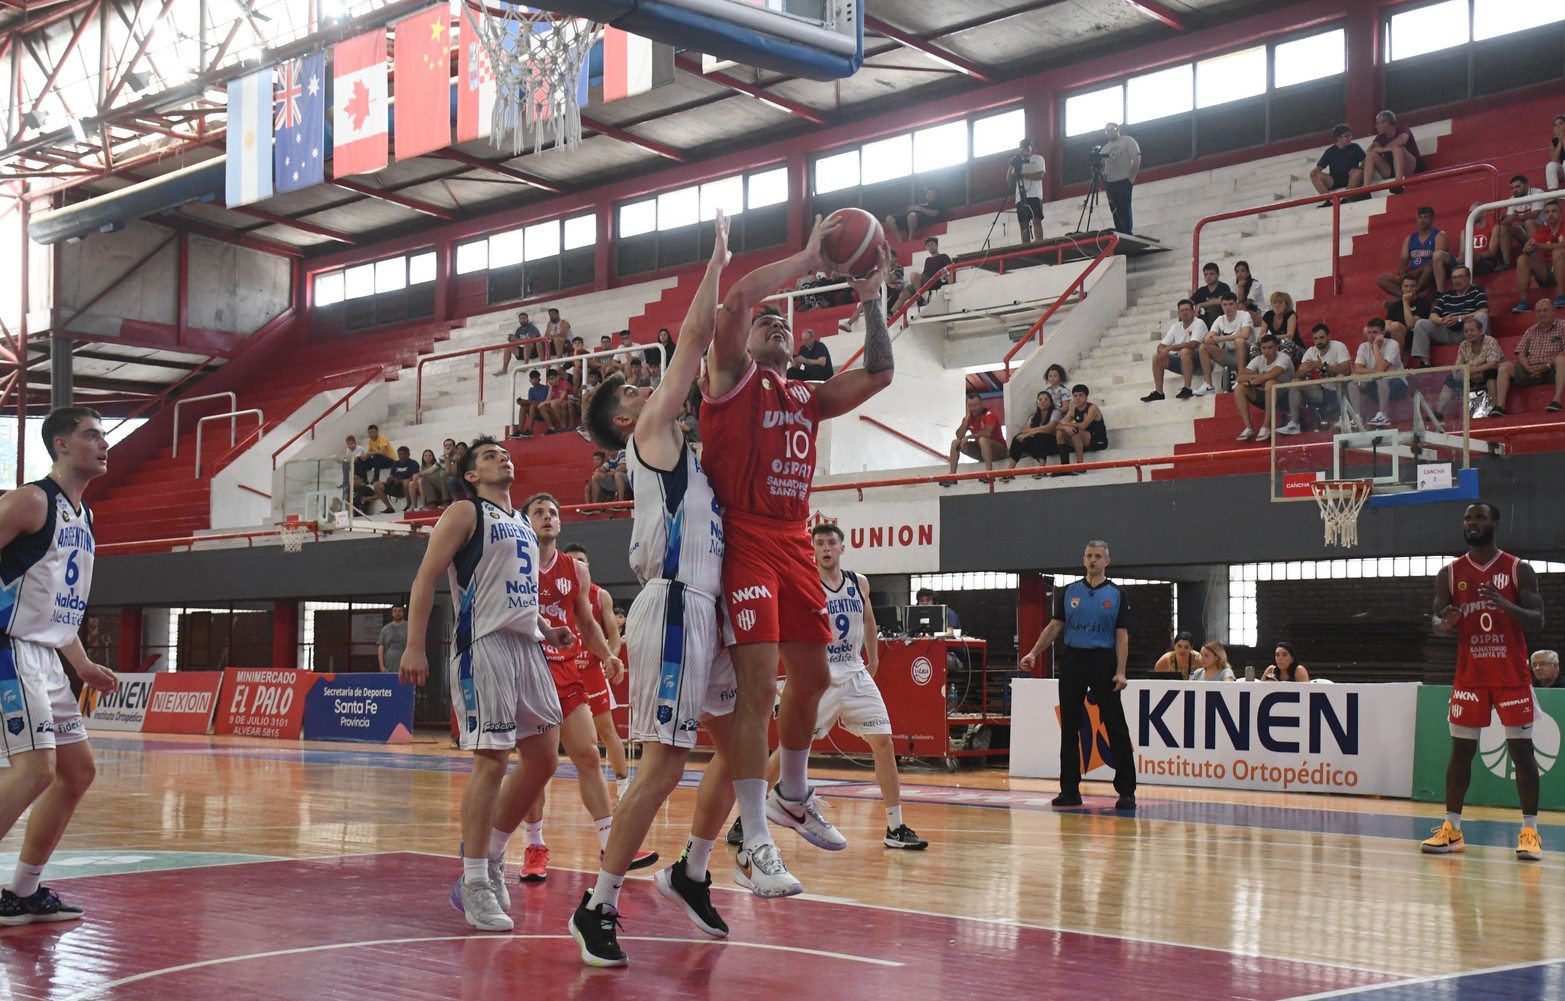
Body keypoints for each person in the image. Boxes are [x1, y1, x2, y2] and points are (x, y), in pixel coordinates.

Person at [700, 213, 895, 897]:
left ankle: (791, 792)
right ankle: (754, 839)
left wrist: (872, 297)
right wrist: (810, 259)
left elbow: (879, 372)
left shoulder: (807, 396)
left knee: (812, 679)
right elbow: (735, 299)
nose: (775, 325)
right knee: (759, 690)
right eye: (766, 323)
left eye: (784, 323)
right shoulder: (728, 377)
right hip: (745, 538)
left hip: (792, 539)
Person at [575, 213, 742, 964]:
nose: (653, 386)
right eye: (638, 387)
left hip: (707, 608)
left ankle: (692, 870)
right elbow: (694, 340)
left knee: (745, 748)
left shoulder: (687, 456)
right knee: (665, 764)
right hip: (673, 607)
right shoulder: (650, 437)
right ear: (624, 417)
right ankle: (598, 903)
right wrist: (716, 261)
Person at [399, 436, 575, 932]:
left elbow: (517, 591)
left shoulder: (521, 522)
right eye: (490, 455)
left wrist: (546, 628)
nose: (503, 457)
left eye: (505, 452)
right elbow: (425, 577)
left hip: (527, 644)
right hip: (484, 644)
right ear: (472, 475)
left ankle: (492, 854)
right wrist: (414, 645)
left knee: (543, 759)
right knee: (492, 760)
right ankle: (474, 880)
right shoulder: (464, 511)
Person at [0, 407, 118, 927]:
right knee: (35, 770)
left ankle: (22, 892)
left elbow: (53, 605)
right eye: (92, 435)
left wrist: (83, 664)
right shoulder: (32, 500)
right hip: (10, 647)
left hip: (46, 655)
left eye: (105, 436)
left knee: (77, 772)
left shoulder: (83, 515)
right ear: (61, 445)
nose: (104, 444)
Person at [759, 525, 929, 850]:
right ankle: (746, 820)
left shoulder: (858, 582)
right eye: (820, 543)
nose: (826, 548)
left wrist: (873, 658)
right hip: (821, 676)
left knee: (884, 742)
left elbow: (869, 620)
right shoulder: (806, 584)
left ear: (841, 548)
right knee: (789, 750)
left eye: (831, 542)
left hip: (855, 672)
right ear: (812, 549)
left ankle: (895, 828)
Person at [515, 493, 648, 889]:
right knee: (536, 766)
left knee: (589, 754)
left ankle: (610, 845)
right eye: (539, 512)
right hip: (528, 670)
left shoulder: (575, 570)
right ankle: (534, 845)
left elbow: (587, 624)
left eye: (553, 512)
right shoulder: (514, 562)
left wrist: (608, 655)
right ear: (525, 521)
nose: (548, 517)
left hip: (566, 669)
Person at [1422, 503, 1545, 862]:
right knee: (1460, 754)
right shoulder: (1449, 573)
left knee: (1522, 753)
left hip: (1511, 677)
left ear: (1495, 524)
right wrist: (1444, 624)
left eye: (1479, 518)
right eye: (1467, 519)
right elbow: (1436, 622)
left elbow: (1538, 619)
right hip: (1470, 677)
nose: (1471, 523)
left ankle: (1530, 831)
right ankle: (1452, 829)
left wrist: (1506, 606)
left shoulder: (1518, 568)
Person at [1019, 540, 1136, 811]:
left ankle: (1127, 791)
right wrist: (1033, 652)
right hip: (1073, 660)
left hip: (1103, 661)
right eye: (1089, 556)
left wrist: (1120, 671)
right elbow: (1054, 626)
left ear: (1107, 561)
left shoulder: (1117, 594)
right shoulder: (1070, 591)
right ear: (1084, 560)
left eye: (1098, 556)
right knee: (1070, 726)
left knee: (1115, 725)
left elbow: (1122, 636)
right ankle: (1069, 790)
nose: (1093, 560)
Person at [560, 542, 631, 798]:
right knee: (549, 734)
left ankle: (623, 787)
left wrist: (608, 657)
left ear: (587, 565)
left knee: (606, 730)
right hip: (562, 670)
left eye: (580, 560)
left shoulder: (600, 596)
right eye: (571, 561)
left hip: (590, 670)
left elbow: (613, 635)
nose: (576, 565)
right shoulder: (554, 592)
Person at [1495, 298, 1565, 416]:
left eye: (1545, 310)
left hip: (1552, 369)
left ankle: (1557, 401)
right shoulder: (1531, 330)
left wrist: (1547, 366)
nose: (1542, 314)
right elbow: (1521, 353)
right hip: (1531, 370)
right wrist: (1528, 368)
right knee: (1505, 367)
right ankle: (1500, 406)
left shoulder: (1563, 326)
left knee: (1561, 360)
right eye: (1539, 311)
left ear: (1554, 311)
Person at [1411, 264, 1489, 367]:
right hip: (1447, 331)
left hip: (1467, 330)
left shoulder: (1477, 290)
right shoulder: (1447, 294)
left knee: (1481, 316)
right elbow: (1432, 315)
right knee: (1421, 323)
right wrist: (1441, 320)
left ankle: (1479, 354)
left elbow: (1484, 311)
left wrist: (1459, 318)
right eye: (1454, 278)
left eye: (1460, 277)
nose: (1457, 280)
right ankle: (1424, 362)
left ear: (1468, 278)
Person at [1280, 323, 1351, 435]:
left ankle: (1343, 418)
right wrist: (1305, 370)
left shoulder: (1338, 347)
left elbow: (1346, 370)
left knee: (1340, 377)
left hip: (1343, 391)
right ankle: (1294, 424)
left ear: (1329, 337)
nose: (1319, 341)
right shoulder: (1311, 351)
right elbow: (1297, 375)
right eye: (1315, 338)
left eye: (1321, 337)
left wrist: (1323, 366)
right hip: (1323, 392)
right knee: (1295, 382)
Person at [1434, 318, 1501, 423]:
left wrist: (1471, 370)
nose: (1469, 333)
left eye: (1472, 330)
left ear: (1480, 331)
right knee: (1451, 379)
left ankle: (1496, 406)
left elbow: (1492, 363)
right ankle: (1439, 412)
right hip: (1471, 375)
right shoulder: (1463, 345)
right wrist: (1456, 372)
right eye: (1466, 331)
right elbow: (1458, 364)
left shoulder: (1490, 341)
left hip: (1489, 372)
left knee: (1490, 372)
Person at [1347, 318, 1408, 430]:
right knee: (1352, 382)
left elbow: (1382, 367)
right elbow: (1358, 369)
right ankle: (1357, 416)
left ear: (1382, 333)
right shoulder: (1363, 347)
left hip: (1397, 384)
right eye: (1369, 332)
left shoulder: (1393, 344)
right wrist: (1377, 372)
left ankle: (1383, 415)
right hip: (1374, 382)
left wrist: (1375, 347)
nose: (1371, 336)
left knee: (1381, 378)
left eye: (1374, 332)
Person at [1143, 299, 1209, 401]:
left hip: (1200, 362)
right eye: (1182, 310)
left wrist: (1170, 348)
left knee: (1185, 351)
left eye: (1187, 310)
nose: (1184, 312)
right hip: (1183, 362)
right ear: (1178, 313)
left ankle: (1187, 388)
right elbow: (1161, 346)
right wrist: (1162, 352)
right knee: (1157, 357)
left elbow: (1192, 345)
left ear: (1193, 311)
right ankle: (1159, 392)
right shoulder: (1175, 327)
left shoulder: (1199, 323)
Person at [1378, 207, 1450, 298]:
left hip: (1428, 274)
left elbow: (1437, 260)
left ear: (1432, 219)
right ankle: (1407, 298)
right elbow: (1403, 262)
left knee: (1429, 270)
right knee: (1383, 279)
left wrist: (1416, 272)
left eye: (1426, 217)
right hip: (1412, 274)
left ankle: (1414, 295)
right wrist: (1403, 275)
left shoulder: (1439, 235)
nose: (1422, 220)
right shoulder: (1409, 238)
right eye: (1420, 217)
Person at [1235, 333, 1295, 441]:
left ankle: (1266, 426)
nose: (1267, 351)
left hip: (1287, 396)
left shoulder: (1283, 358)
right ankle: (1249, 427)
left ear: (1277, 347)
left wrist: (1251, 382)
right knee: (1239, 388)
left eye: (1270, 347)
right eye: (1264, 348)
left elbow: (1270, 375)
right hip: (1268, 395)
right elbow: (1240, 377)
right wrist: (1257, 376)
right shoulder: (1259, 359)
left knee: (1270, 383)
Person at [1513, 199, 1565, 313]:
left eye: (1554, 211)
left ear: (1561, 213)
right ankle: (1523, 302)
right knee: (1522, 259)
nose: (1550, 214)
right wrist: (1527, 248)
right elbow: (1532, 245)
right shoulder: (1541, 231)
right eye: (1547, 212)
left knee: (1558, 252)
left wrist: (1539, 246)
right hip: (1550, 270)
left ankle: (1562, 295)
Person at [1198, 293, 1253, 395]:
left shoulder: (1245, 315)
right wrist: (1209, 338)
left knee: (1239, 341)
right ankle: (1208, 385)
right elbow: (1209, 336)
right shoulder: (1220, 319)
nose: (1228, 308)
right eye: (1225, 305)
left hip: (1248, 355)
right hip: (1230, 356)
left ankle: (1241, 379)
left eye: (1231, 304)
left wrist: (1220, 338)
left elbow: (1245, 334)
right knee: (1203, 347)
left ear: (1236, 304)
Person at [946, 391, 1005, 481]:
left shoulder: (989, 414)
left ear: (981, 404)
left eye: (975, 405)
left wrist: (969, 437)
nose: (973, 408)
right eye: (970, 406)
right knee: (955, 442)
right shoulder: (969, 418)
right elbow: (959, 435)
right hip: (981, 450)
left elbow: (987, 433)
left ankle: (990, 474)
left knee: (982, 440)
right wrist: (966, 419)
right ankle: (952, 476)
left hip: (998, 450)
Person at [1009, 378, 1065, 470]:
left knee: (1039, 436)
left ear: (1050, 403)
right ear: (1037, 403)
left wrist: (1031, 433)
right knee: (1017, 439)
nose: (1043, 401)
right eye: (1040, 400)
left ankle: (1042, 469)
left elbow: (1049, 428)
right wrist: (1031, 432)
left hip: (1053, 444)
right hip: (1037, 445)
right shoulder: (1033, 417)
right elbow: (1025, 430)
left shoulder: (1056, 413)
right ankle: (1010, 471)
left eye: (1046, 399)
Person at [1364, 110, 1425, 192]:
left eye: (1377, 123)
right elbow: (1370, 151)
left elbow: (1401, 141)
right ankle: (1365, 189)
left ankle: (1398, 183)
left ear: (1385, 122)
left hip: (1412, 166)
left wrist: (1382, 149)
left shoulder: (1402, 129)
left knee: (1396, 148)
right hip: (1392, 169)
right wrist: (1384, 149)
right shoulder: (1380, 137)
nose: (1375, 126)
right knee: (1371, 155)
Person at [891, 237, 953, 317]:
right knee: (903, 295)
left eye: (932, 244)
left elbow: (951, 268)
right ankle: (890, 314)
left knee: (913, 275)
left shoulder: (943, 256)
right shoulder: (928, 259)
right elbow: (925, 273)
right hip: (926, 280)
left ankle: (919, 297)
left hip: (935, 280)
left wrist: (943, 275)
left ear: (937, 245)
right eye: (928, 245)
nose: (930, 247)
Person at [1100, 122, 1140, 235]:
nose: (1110, 132)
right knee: (1114, 209)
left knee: (1124, 207)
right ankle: (1119, 230)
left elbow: (1137, 157)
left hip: (1124, 179)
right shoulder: (1104, 149)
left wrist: (1132, 176)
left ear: (1117, 129)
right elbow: (1102, 166)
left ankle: (1127, 231)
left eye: (1111, 129)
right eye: (1107, 131)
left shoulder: (1128, 141)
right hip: (1110, 182)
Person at [1055, 383, 1107, 468]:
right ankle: (1064, 467)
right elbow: (1058, 426)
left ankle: (1080, 466)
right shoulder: (1073, 410)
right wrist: (1065, 427)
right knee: (1060, 432)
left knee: (1075, 431)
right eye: (1075, 396)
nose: (1077, 398)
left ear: (1086, 397)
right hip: (1082, 441)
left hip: (1098, 440)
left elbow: (1083, 426)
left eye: (1081, 395)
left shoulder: (1092, 408)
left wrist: (1067, 425)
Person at [1310, 124, 1366, 203]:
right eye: (1346, 136)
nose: (1349, 138)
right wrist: (1314, 172)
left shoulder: (1355, 147)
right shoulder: (1330, 151)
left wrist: (1358, 168)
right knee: (1314, 175)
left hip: (1351, 178)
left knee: (1358, 173)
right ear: (1338, 138)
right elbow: (1319, 168)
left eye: (1350, 135)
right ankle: (1330, 201)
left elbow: (1365, 162)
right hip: (1334, 180)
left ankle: (1345, 198)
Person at [1007, 139, 1046, 244]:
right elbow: (1009, 180)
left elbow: (1040, 175)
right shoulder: (1016, 161)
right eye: (1022, 149)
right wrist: (1012, 165)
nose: (1024, 151)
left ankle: (1039, 243)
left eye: (1026, 148)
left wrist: (1022, 175)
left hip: (1035, 195)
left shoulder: (1038, 159)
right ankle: (1026, 245)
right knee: (1023, 223)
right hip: (1020, 196)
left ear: (1030, 148)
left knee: (1036, 220)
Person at [1190, 262, 1235, 328]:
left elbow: (1222, 300)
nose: (1208, 276)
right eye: (1206, 274)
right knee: (1185, 311)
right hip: (1207, 319)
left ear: (1218, 275)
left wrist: (1201, 305)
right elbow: (1190, 302)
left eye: (1211, 274)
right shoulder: (1202, 290)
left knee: (1214, 308)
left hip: (1223, 318)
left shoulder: (1223, 287)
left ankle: (1214, 332)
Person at [384, 446, 421, 512]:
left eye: (404, 454)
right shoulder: (395, 463)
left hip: (407, 486)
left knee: (406, 482)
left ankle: (409, 505)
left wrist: (400, 481)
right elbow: (391, 475)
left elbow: (415, 477)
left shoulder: (413, 463)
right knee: (377, 485)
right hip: (396, 485)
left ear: (408, 454)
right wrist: (389, 479)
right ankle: (389, 508)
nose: (402, 456)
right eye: (400, 454)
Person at [1232, 261, 1267, 327]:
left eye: (1242, 271)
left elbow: (1246, 303)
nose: (1239, 274)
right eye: (1237, 271)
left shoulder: (1256, 285)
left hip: (1260, 315)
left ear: (1247, 273)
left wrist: (1241, 287)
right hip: (1245, 313)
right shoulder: (1235, 286)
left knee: (1240, 307)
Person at [377, 605, 407, 674]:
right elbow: (381, 648)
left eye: (400, 611)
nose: (397, 613)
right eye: (395, 611)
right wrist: (382, 666)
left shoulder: (409, 627)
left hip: (406, 667)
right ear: (392, 613)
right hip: (388, 668)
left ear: (403, 613)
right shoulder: (385, 629)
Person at [1548, 114, 1565, 191]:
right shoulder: (1554, 141)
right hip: (1563, 169)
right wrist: (1560, 142)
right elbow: (1554, 160)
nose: (1557, 127)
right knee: (1550, 166)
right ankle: (1553, 193)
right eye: (1555, 125)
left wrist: (1563, 139)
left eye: (1560, 124)